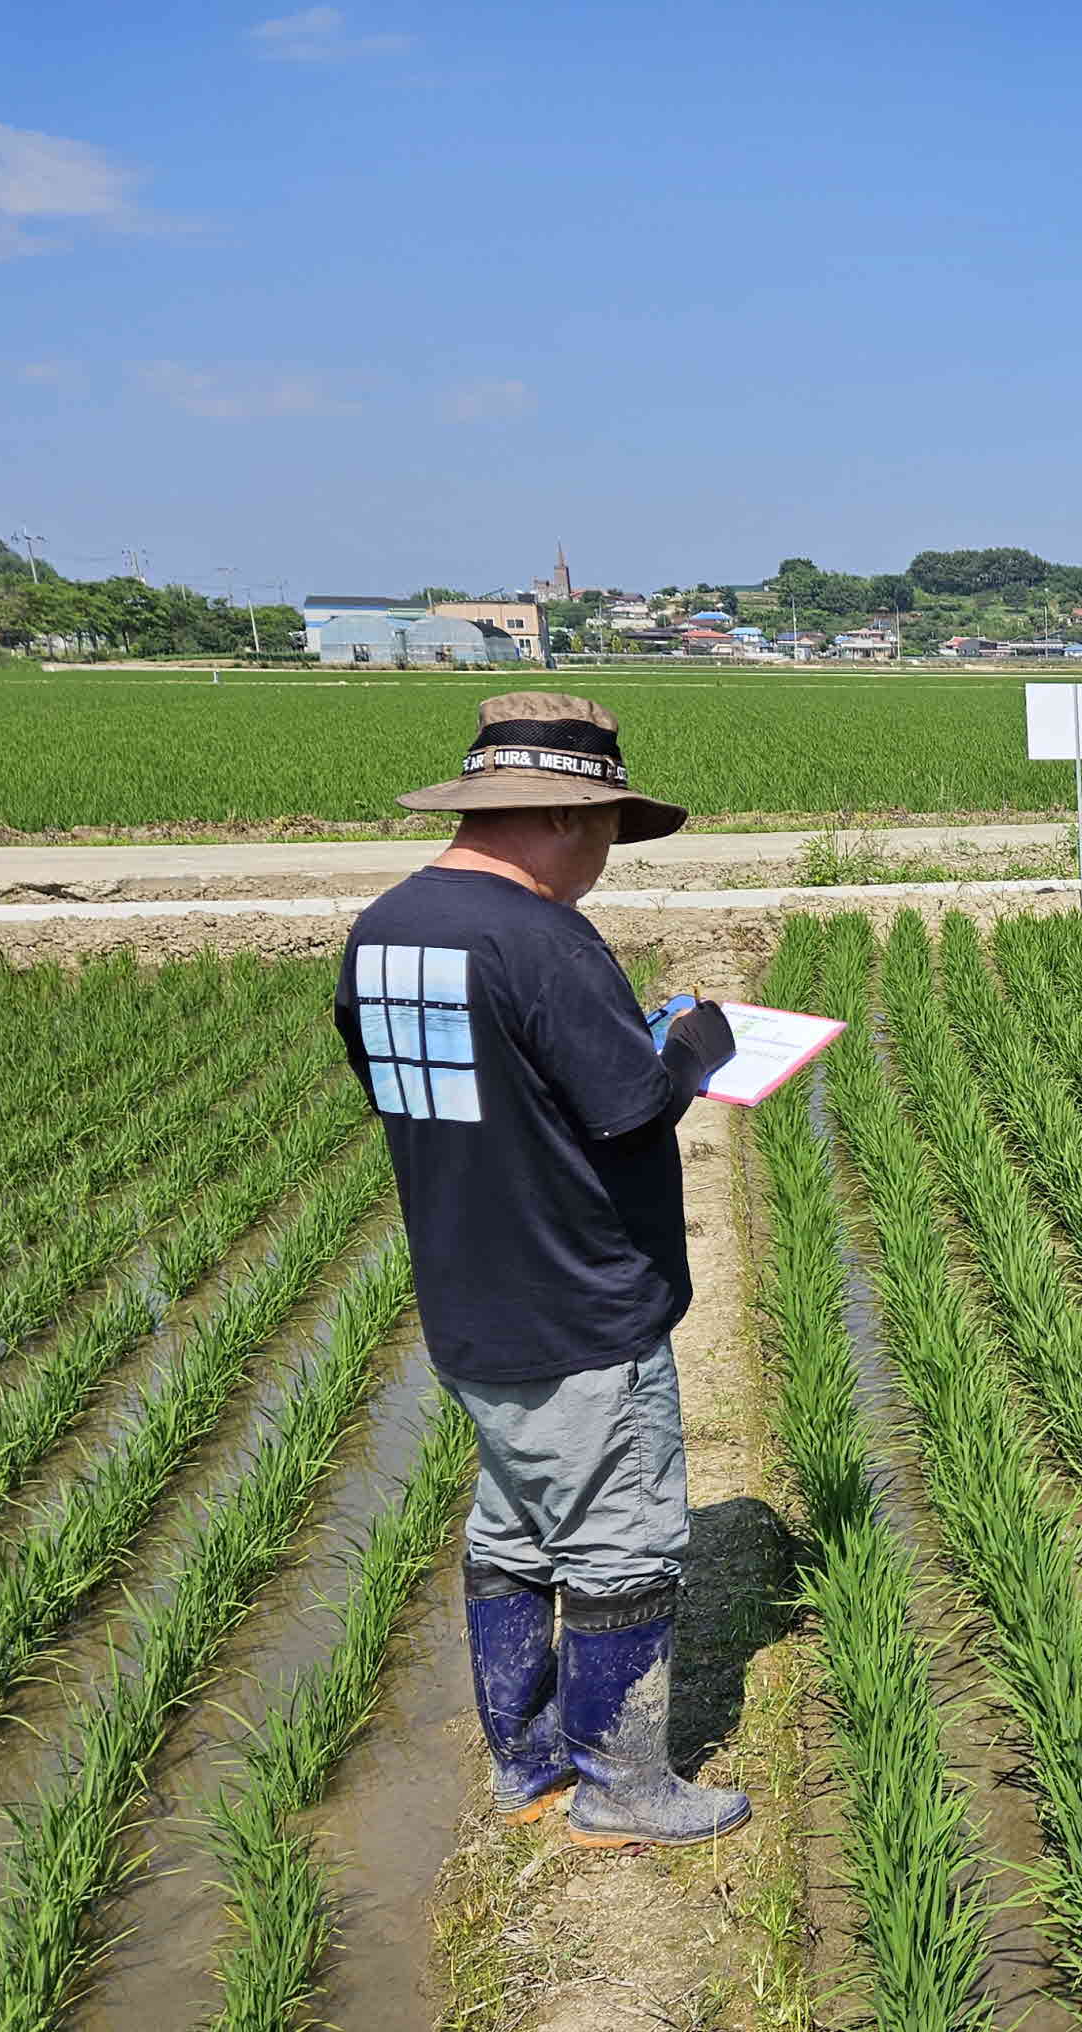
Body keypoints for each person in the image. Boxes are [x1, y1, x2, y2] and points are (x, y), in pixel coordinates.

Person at [333, 692, 748, 1848]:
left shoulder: (390, 925)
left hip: (470, 1292)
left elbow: (416, 1089)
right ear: (567, 819)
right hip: (576, 1297)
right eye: (610, 826)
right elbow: (627, 1109)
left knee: (514, 1527)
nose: (609, 853)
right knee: (621, 1541)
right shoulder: (539, 938)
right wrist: (695, 1044)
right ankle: (622, 1785)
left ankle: (526, 1759)